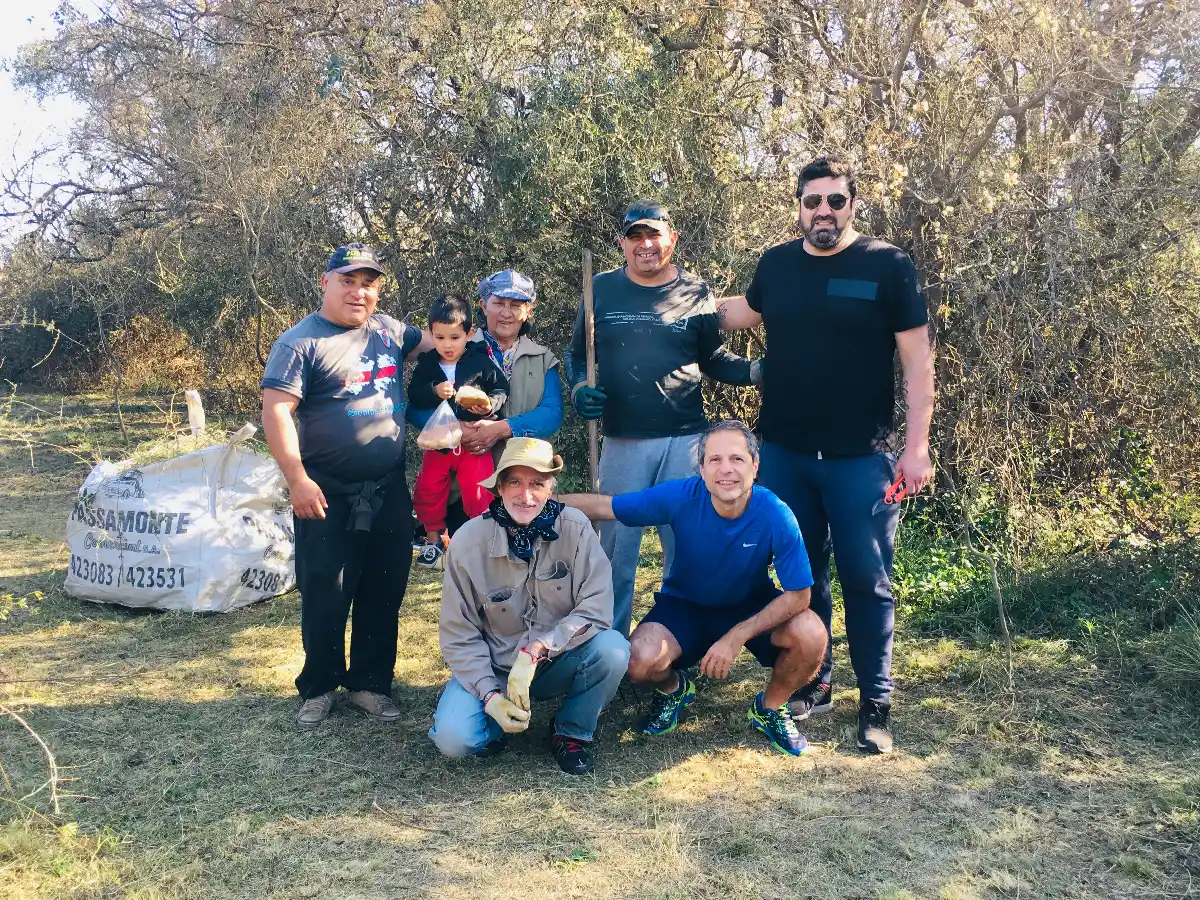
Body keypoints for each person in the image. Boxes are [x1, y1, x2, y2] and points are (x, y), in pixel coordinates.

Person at [717, 154, 935, 754]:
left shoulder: (887, 266)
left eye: (835, 201)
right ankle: (817, 679)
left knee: (869, 580)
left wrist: (916, 449)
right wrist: (664, 305)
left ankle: (877, 702)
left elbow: (918, 365)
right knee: (802, 579)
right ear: (798, 206)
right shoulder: (778, 264)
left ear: (853, 205)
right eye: (813, 201)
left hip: (860, 459)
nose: (824, 211)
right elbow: (741, 312)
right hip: (785, 454)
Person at [560, 421, 827, 757]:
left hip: (751, 605)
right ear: (701, 469)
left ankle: (771, 708)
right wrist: (539, 500)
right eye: (715, 460)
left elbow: (800, 595)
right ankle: (674, 689)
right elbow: (606, 507)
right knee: (638, 662)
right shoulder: (681, 496)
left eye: (737, 459)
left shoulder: (775, 513)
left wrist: (736, 636)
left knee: (811, 634)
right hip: (685, 606)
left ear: (755, 466)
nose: (726, 469)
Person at [564, 201, 762, 636]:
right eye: (635, 237)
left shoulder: (696, 291)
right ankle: (608, 649)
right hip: (622, 442)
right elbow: (577, 356)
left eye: (654, 235)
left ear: (671, 239)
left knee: (687, 548)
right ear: (622, 244)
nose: (646, 245)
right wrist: (580, 390)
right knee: (615, 550)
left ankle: (683, 643)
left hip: (686, 441)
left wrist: (757, 373)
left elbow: (712, 359)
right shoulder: (599, 288)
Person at [260, 242, 433, 729]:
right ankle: (318, 687)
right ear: (326, 283)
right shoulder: (300, 342)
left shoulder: (389, 330)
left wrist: (487, 337)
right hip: (325, 492)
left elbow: (442, 342)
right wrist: (296, 478)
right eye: (348, 281)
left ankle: (370, 685)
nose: (359, 292)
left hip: (387, 489)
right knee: (326, 592)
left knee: (384, 589)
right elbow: (276, 411)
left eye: (369, 283)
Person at [430, 438, 629, 775]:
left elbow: (596, 608)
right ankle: (496, 723)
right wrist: (490, 695)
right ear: (499, 488)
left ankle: (570, 731)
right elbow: (458, 634)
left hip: (557, 660)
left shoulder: (576, 528)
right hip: (495, 667)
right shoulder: (466, 543)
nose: (526, 496)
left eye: (537, 483)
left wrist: (540, 647)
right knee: (453, 739)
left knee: (613, 650)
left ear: (551, 488)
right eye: (515, 483)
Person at [408, 269, 562, 543]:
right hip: (464, 487)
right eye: (498, 303)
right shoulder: (453, 345)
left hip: (526, 483)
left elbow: (551, 414)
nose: (506, 312)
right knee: (470, 568)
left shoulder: (543, 358)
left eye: (515, 305)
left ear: (529, 310)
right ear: (483, 305)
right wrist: (456, 430)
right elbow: (415, 409)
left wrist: (502, 429)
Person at [408, 293, 509, 568]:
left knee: (480, 491)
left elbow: (501, 389)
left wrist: (489, 405)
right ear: (431, 334)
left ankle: (482, 541)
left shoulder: (481, 362)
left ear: (470, 334)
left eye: (454, 337)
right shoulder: (428, 364)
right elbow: (414, 395)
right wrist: (433, 391)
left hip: (474, 444)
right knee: (428, 489)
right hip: (439, 442)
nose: (447, 345)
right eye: (440, 338)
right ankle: (432, 541)